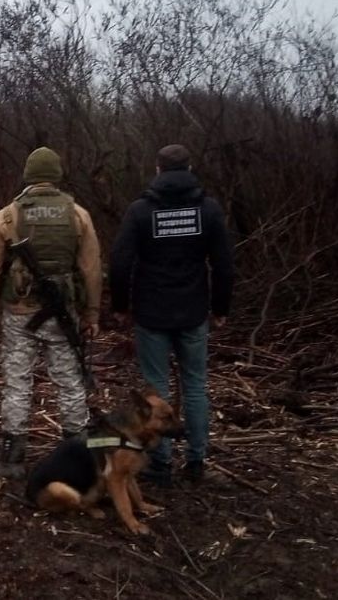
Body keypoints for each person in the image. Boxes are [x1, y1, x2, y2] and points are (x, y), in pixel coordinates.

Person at [109, 144, 234, 486]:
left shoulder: (140, 211)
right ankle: (196, 461)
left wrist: (120, 306)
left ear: (158, 169)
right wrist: (220, 308)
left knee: (157, 389)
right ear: (190, 167)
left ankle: (160, 463)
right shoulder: (208, 210)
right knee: (195, 386)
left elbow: (119, 263)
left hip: (151, 312)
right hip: (193, 311)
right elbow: (223, 264)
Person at [0, 147, 102, 478]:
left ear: (27, 176)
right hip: (63, 315)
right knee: (70, 382)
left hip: (20, 312)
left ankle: (12, 457)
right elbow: (91, 269)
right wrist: (91, 313)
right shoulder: (78, 215)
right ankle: (77, 452)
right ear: (58, 175)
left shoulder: (6, 216)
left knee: (17, 382)